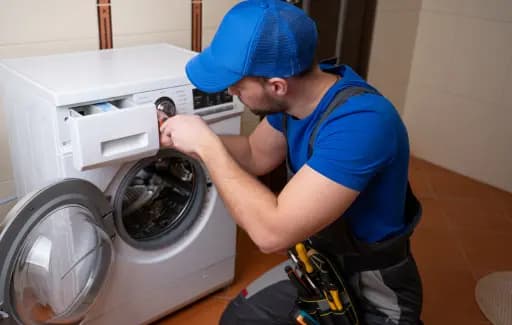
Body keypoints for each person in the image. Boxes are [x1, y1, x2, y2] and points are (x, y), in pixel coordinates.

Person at [159, 0, 423, 324]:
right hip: (318, 265)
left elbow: (271, 233)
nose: (231, 91)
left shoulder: (362, 123)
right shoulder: (296, 102)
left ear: (277, 85)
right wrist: (183, 139)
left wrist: (207, 146)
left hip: (373, 284)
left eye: (238, 85)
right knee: (240, 318)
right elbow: (255, 154)